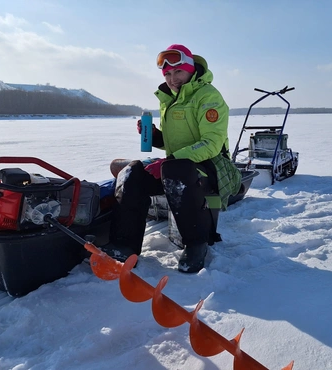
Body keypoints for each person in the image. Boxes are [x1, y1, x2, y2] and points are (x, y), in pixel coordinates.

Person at [102, 44, 241, 273]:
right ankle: (125, 245)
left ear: (190, 70)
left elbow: (211, 143)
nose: (172, 78)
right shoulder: (170, 98)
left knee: (177, 171)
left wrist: (171, 161)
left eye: (178, 72)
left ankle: (196, 244)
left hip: (212, 165)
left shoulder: (208, 97)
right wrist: (156, 136)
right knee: (133, 172)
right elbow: (175, 142)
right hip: (177, 165)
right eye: (167, 74)